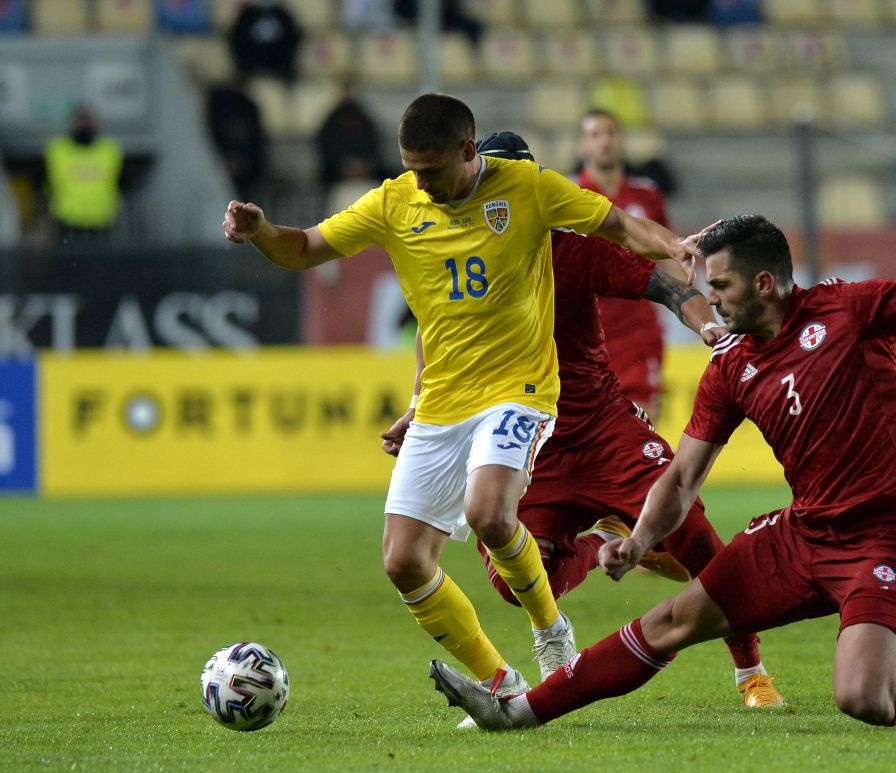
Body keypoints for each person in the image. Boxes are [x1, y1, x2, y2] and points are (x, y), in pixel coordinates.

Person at [430, 151, 896, 731]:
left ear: (764, 284)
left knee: (864, 697)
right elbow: (681, 479)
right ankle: (519, 712)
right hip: (803, 534)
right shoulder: (731, 367)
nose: (712, 300)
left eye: (722, 287)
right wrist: (637, 544)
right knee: (670, 620)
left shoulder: (849, 311)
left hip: (888, 532)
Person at [223, 93, 701, 701]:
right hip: (444, 403)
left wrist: (673, 245)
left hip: (519, 389)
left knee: (488, 513)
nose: (418, 180)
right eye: (409, 167)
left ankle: (550, 628)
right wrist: (262, 230)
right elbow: (304, 248)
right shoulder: (395, 201)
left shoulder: (525, 186)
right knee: (403, 561)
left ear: (468, 151)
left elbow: (618, 223)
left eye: (429, 169)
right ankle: (499, 682)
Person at [450, 132, 784, 709]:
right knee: (517, 582)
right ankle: (608, 534)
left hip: (604, 430)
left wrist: (706, 326)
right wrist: (417, 408)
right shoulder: (461, 261)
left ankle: (751, 672)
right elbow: (440, 338)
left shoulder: (570, 250)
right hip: (530, 444)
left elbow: (665, 284)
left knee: (696, 538)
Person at [574, 109, 675, 422]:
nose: (604, 141)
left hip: (639, 333)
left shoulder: (647, 195)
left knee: (644, 431)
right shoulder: (569, 197)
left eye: (611, 133)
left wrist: (694, 303)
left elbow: (669, 254)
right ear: (582, 146)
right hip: (587, 335)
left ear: (622, 141)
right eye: (595, 134)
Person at [44, 105, 123, 241]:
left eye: (87, 120)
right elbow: (47, 182)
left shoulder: (109, 149)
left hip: (101, 219)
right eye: (81, 120)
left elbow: (121, 181)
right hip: (67, 219)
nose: (84, 125)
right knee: (70, 260)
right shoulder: (58, 149)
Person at [206, 71, 267, 200]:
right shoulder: (216, 105)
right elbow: (209, 136)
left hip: (247, 177)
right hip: (217, 170)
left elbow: (257, 145)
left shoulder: (250, 108)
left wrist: (245, 164)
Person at [316, 78, 384, 193]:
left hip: (364, 168)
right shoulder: (331, 120)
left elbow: (373, 142)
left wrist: (364, 165)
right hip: (336, 170)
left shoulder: (364, 117)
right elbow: (327, 147)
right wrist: (343, 165)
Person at [228, 0, 302, 83]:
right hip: (251, 69)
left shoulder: (282, 14)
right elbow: (238, 40)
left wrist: (284, 63)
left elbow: (292, 40)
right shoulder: (247, 15)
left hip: (279, 69)